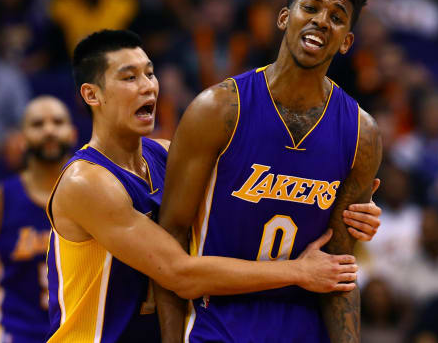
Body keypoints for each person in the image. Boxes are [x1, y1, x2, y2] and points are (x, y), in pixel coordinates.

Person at [45, 29, 382, 342]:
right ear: (92, 95)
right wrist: (297, 271)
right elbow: (180, 274)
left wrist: (350, 209)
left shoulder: (165, 154)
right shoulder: (86, 182)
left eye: (150, 73)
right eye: (129, 78)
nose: (148, 86)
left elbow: (260, 194)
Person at [156, 0, 381, 342]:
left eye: (337, 17)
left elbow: (339, 269)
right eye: (310, 7)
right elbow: (170, 240)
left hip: (304, 326)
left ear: (346, 41)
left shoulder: (362, 133)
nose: (322, 21)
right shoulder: (218, 109)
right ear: (283, 18)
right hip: (217, 320)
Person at [0, 96, 78, 343]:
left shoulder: (96, 199)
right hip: (13, 333)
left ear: (73, 133)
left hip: (76, 334)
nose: (49, 130)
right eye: (38, 124)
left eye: (58, 122)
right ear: (20, 139)